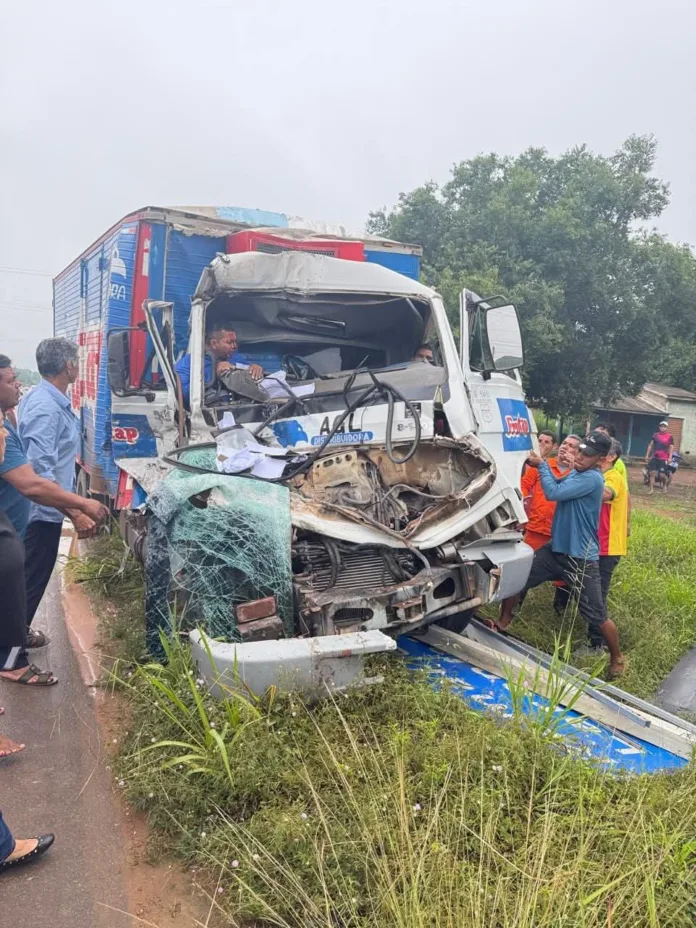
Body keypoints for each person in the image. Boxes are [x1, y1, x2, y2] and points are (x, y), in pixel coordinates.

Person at [0, 367, 109, 685]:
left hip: (20, 521)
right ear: (67, 367)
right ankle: (11, 659)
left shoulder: (11, 419)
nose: (17, 384)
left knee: (18, 585)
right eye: (9, 380)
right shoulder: (40, 410)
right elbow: (34, 481)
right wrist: (79, 506)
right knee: (16, 586)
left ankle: (16, 638)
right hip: (26, 520)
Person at [497, 431, 625, 679]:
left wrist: (542, 465)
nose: (579, 456)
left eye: (586, 455)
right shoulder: (577, 472)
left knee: (596, 614)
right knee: (517, 579)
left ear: (600, 459)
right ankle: (502, 623)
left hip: (580, 558)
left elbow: (553, 492)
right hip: (555, 550)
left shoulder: (592, 479)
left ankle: (617, 657)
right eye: (579, 450)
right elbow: (557, 484)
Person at [18, 339, 94, 647]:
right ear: (68, 366)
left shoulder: (48, 400)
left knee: (29, 577)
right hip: (41, 511)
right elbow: (40, 472)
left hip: (46, 508)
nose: (77, 366)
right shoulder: (46, 407)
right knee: (29, 580)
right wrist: (75, 512)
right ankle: (12, 645)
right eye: (76, 361)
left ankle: (14, 634)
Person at [584, 438, 629, 650]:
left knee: (598, 595)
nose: (597, 454)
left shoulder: (613, 477)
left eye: (602, 452)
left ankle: (597, 644)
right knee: (592, 592)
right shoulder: (600, 475)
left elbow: (605, 494)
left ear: (611, 457)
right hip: (597, 544)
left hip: (607, 546)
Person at [174, 325, 265, 406]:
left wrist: (254, 368)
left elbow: (246, 368)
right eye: (229, 343)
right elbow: (183, 397)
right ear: (214, 343)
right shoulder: (189, 363)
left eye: (235, 342)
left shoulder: (233, 357)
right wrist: (214, 374)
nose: (235, 346)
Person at [645, 421, 675, 494]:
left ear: (666, 428)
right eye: (661, 426)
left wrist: (670, 457)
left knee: (662, 475)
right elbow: (650, 445)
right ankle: (651, 490)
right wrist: (647, 455)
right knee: (652, 473)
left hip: (663, 458)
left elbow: (671, 447)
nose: (662, 427)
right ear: (659, 427)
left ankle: (664, 486)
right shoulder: (655, 435)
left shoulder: (669, 436)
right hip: (655, 457)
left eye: (664, 426)